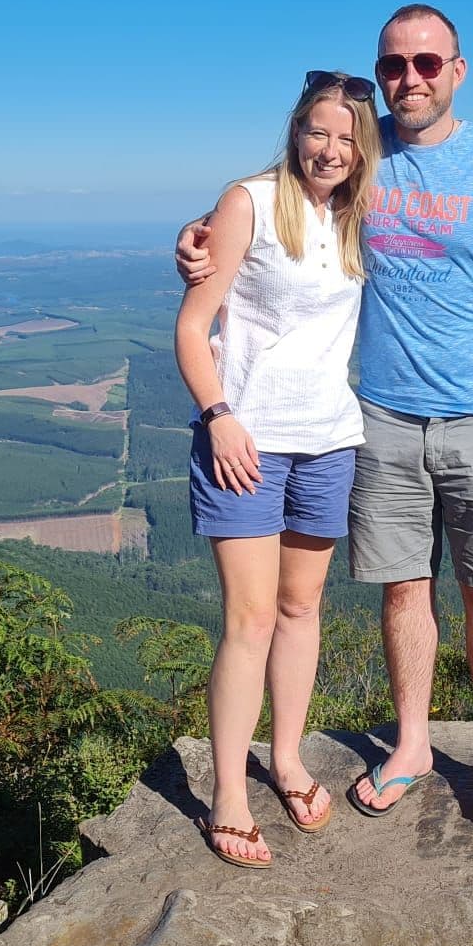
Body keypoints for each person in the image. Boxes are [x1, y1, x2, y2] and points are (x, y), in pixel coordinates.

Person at [180, 4, 473, 828]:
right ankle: (413, 745)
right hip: (379, 417)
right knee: (402, 589)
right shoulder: (364, 149)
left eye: (428, 63)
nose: (410, 78)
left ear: (459, 69)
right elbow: (280, 196)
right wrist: (198, 237)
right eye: (395, 64)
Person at [173, 70, 382, 868]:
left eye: (346, 137)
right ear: (295, 131)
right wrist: (219, 417)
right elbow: (194, 328)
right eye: (318, 132)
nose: (331, 149)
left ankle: (286, 758)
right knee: (250, 620)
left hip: (330, 438)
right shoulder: (249, 203)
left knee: (301, 610)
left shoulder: (357, 215)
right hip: (247, 442)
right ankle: (229, 793)